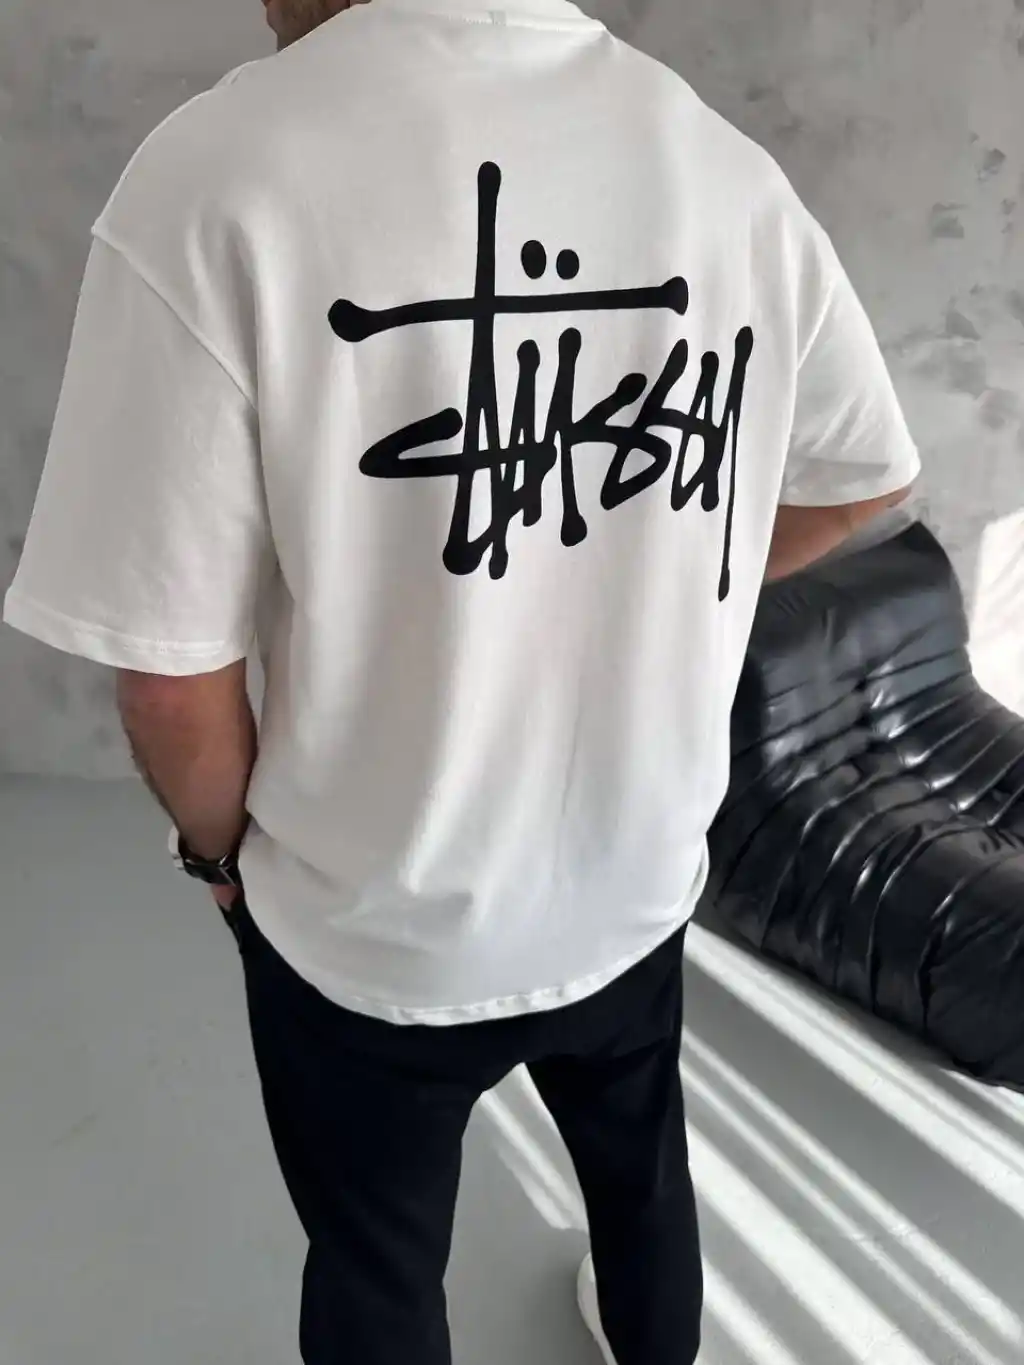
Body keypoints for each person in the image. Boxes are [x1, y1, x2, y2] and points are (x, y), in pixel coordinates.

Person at [2, 1, 920, 1361]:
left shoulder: (218, 178)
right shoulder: (718, 164)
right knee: (642, 1180)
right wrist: (674, 581)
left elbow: (170, 676)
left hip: (374, 922)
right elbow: (865, 480)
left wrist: (220, 857)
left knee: (377, 1260)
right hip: (632, 875)